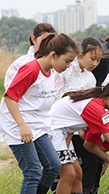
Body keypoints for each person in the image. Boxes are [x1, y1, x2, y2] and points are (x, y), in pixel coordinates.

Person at [0, 33, 79, 194]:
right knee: (33, 172)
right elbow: (9, 97)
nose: (68, 66)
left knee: (53, 166)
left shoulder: (52, 72)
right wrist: (22, 125)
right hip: (18, 125)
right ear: (54, 55)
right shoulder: (31, 69)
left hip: (37, 126)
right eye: (67, 61)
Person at [50, 79, 109, 194]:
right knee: (69, 175)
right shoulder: (96, 108)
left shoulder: (98, 103)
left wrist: (67, 146)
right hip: (53, 132)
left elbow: (70, 124)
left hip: (63, 134)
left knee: (78, 173)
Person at [51, 36, 103, 193]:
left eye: (98, 60)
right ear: (81, 55)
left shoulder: (91, 79)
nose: (94, 63)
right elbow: (56, 95)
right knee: (63, 173)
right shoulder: (65, 68)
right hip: (57, 125)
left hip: (73, 128)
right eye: (92, 58)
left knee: (76, 173)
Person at [4, 22, 56, 89]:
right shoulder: (20, 64)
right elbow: (10, 92)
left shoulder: (55, 65)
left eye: (50, 41)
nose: (47, 44)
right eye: (43, 40)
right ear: (33, 39)